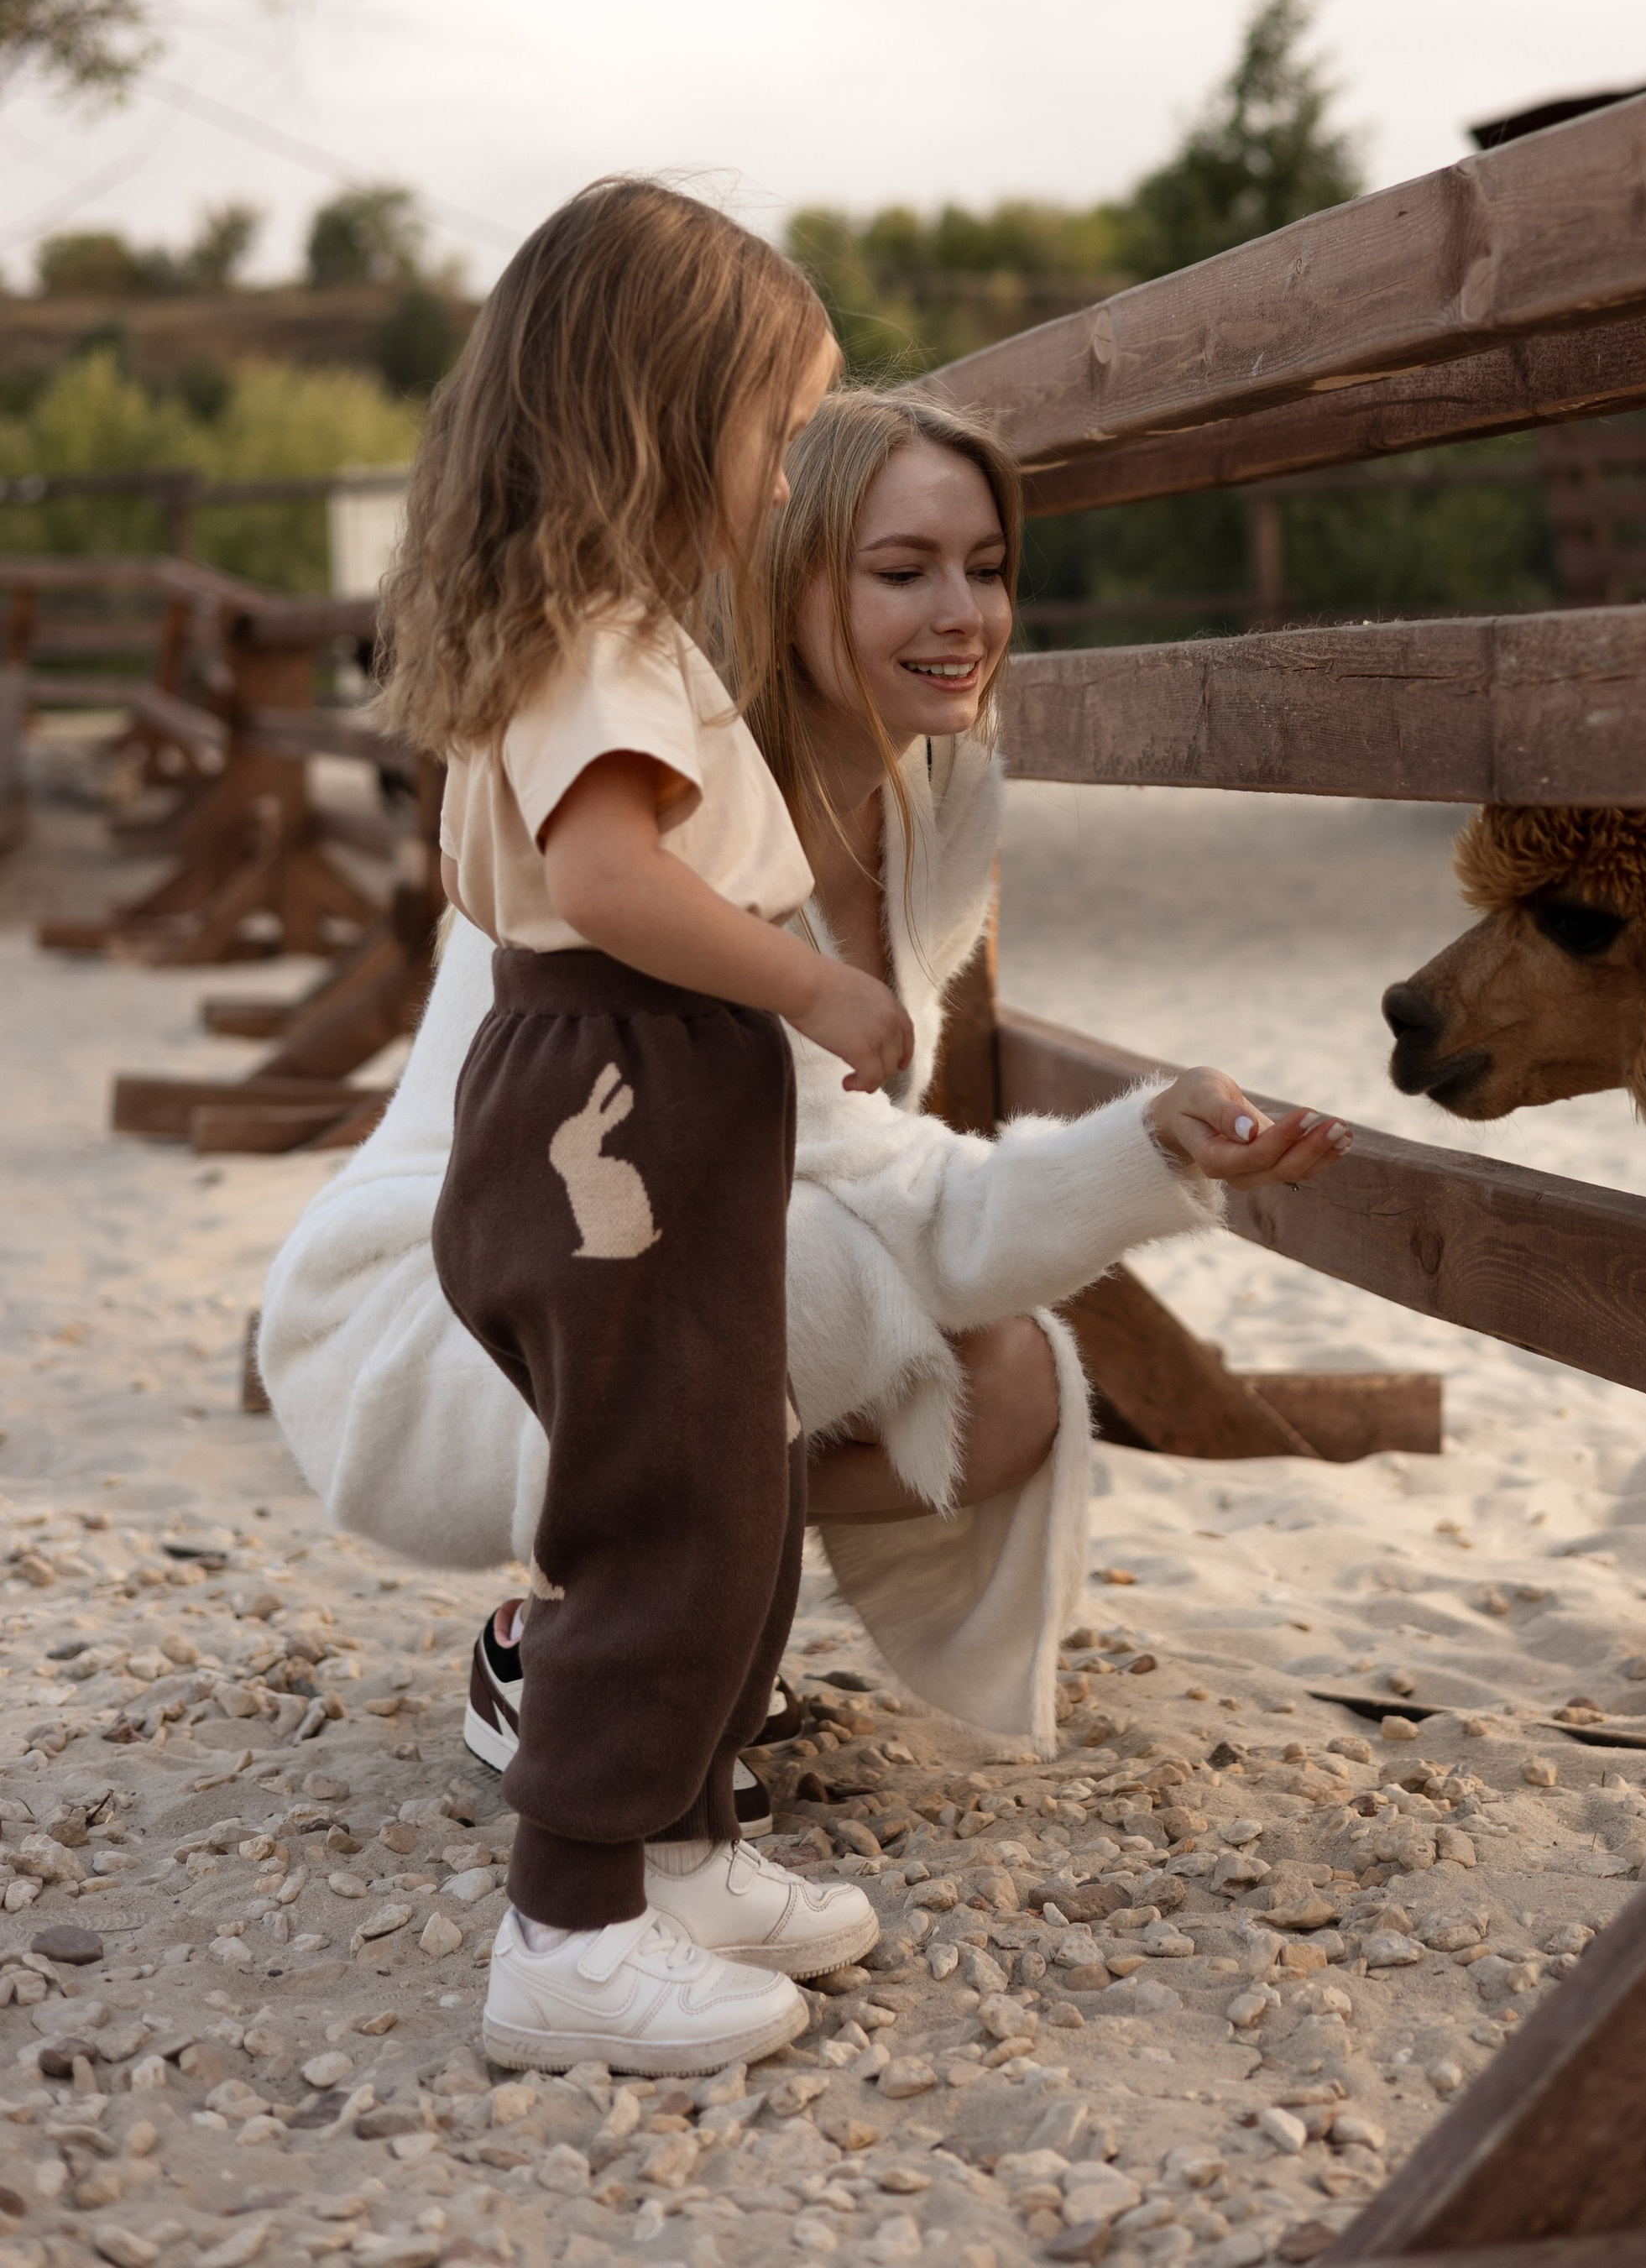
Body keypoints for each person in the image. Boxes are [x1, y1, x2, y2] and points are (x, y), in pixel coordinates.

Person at [261, 389, 1349, 1936]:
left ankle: (648, 1630)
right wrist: (1132, 1152)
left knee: (1010, 1389)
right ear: (792, 576)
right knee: (810, 1273)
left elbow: (876, 1162)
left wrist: (1156, 1138)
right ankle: (587, 1686)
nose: (961, 613)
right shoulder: (679, 817)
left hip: (636, 1265)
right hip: (435, 1312)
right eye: (903, 570)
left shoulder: (933, 790)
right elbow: (886, 1202)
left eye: (986, 565)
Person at [379, 175, 893, 2079]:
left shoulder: (575, 636)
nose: (779, 482)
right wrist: (812, 986)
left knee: (730, 1472)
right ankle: (571, 1925)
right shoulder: (593, 645)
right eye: (772, 432)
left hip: (623, 1102)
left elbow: (502, 881)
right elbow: (603, 875)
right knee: (666, 1517)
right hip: (618, 1099)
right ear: (659, 420)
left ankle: (685, 1841)